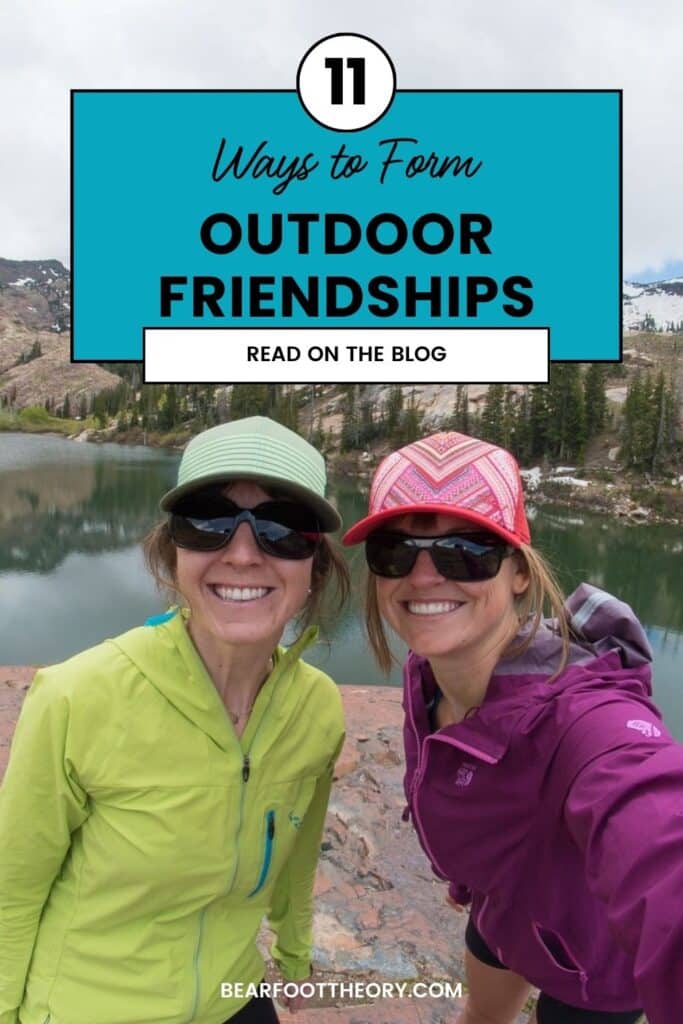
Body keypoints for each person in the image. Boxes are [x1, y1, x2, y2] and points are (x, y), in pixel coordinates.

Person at [0, 415, 349, 1024]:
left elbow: (297, 854)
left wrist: (294, 956)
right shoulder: (77, 698)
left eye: (283, 529)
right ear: (173, 550)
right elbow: (12, 891)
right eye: (208, 523)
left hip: (232, 996)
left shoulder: (316, 709)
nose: (242, 555)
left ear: (315, 566)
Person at [343, 429, 683, 1024]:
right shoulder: (428, 671)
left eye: (467, 551)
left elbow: (653, 827)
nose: (423, 577)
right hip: (501, 910)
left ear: (519, 573)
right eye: (394, 551)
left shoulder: (588, 720)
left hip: (593, 968)